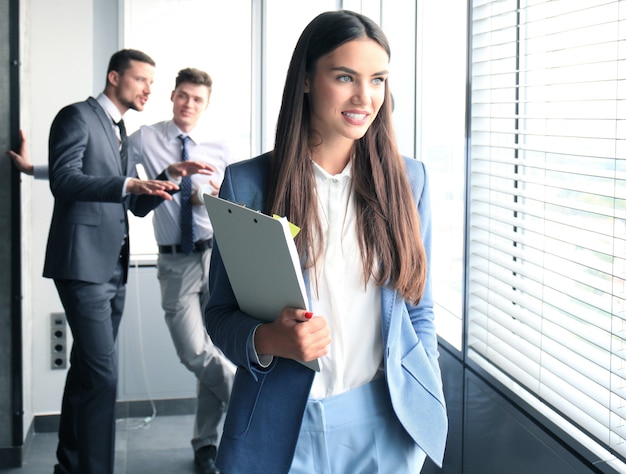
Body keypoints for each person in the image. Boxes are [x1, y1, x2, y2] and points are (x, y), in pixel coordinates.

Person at [204, 9, 448, 474]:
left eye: (377, 80)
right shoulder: (249, 184)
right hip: (284, 426)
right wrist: (271, 338)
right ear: (307, 81)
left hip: (385, 421)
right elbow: (219, 316)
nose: (365, 96)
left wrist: (426, 390)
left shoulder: (409, 181)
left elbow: (419, 309)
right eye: (344, 77)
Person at [41, 49, 211, 474]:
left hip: (110, 267)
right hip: (82, 264)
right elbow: (63, 181)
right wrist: (129, 181)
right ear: (114, 77)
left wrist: (167, 180)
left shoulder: (119, 129)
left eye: (152, 82)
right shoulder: (77, 116)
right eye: (141, 80)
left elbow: (131, 206)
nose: (149, 90)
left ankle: (70, 466)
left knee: (85, 372)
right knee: (103, 376)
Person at [128, 67, 236, 474]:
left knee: (219, 347)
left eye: (197, 99)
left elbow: (230, 197)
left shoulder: (220, 146)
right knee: (195, 350)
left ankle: (205, 444)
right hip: (174, 259)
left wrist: (206, 196)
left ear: (206, 104)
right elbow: (108, 169)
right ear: (172, 96)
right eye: (183, 96)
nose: (189, 104)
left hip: (217, 255)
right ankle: (244, 399)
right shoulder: (146, 139)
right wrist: (38, 170)